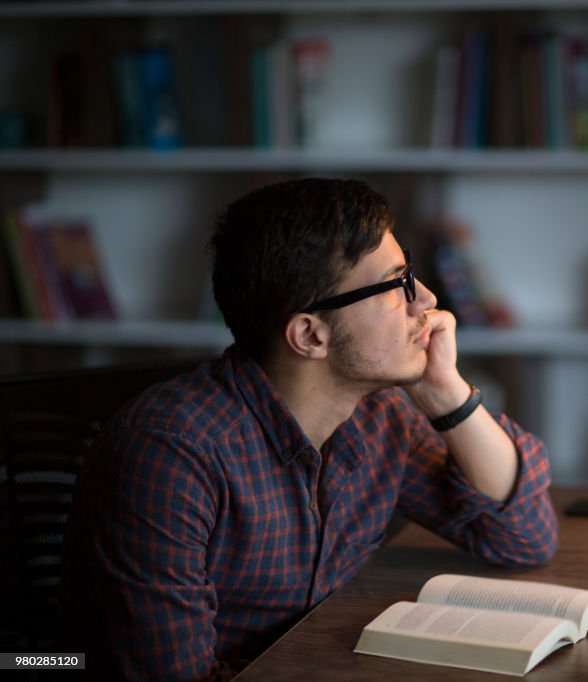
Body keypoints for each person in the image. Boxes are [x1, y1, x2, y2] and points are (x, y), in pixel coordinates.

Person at [61, 178, 558, 681]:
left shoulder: (380, 416)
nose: (424, 299)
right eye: (397, 284)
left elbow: (523, 538)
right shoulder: (172, 454)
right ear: (310, 335)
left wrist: (444, 392)